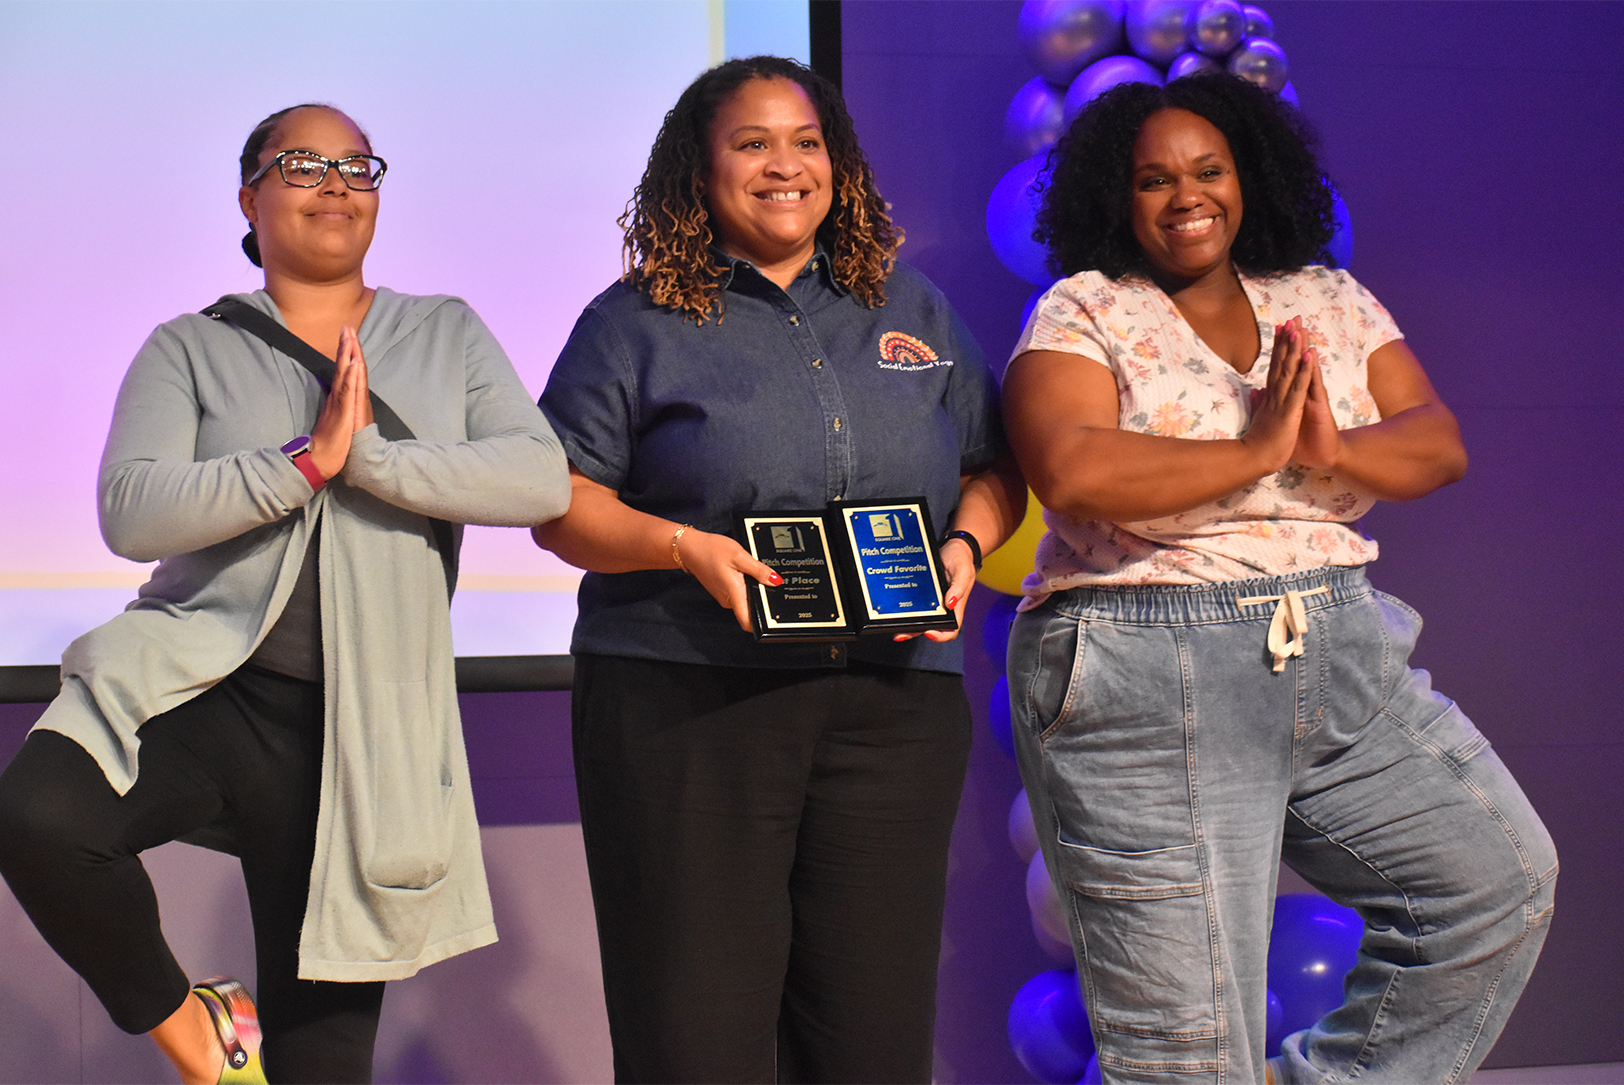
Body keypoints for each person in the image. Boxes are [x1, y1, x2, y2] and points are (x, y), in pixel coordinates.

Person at [1001, 73, 1556, 1084]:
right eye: (1152, 180)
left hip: (1334, 648)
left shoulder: (1324, 297)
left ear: (1248, 176)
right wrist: (1256, 451)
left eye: (1207, 170)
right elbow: (1070, 468)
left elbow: (1433, 443)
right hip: (1146, 660)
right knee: (1184, 1050)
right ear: (1113, 198)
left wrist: (1329, 445)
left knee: (1493, 885)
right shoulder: (1085, 307)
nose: (1185, 197)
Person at [0, 103, 570, 1083]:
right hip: (206, 693)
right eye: (303, 164)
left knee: (320, 1065)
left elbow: (537, 478)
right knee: (42, 818)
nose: (337, 183)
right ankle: (197, 1025)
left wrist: (371, 460)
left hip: (364, 737)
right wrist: (303, 461)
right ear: (248, 197)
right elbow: (132, 509)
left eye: (358, 166)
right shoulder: (192, 345)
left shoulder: (444, 332)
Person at [532, 55, 1025, 1084]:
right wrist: (683, 545)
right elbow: (559, 502)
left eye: (805, 143)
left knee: (872, 1032)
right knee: (694, 1030)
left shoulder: (911, 306)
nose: (783, 166)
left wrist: (965, 545)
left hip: (892, 704)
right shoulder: (633, 321)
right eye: (750, 144)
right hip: (688, 699)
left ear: (837, 165)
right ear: (697, 171)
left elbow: (994, 465)